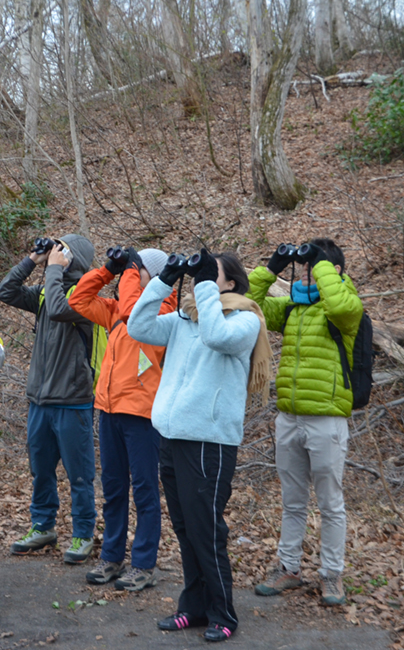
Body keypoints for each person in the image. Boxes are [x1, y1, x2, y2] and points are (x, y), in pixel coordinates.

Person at [129, 248, 271, 644]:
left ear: (229, 282)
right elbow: (138, 326)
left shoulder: (244, 321)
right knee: (185, 528)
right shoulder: (184, 320)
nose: (202, 281)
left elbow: (216, 335)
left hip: (209, 442)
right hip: (172, 438)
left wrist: (205, 285)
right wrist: (164, 279)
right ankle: (192, 607)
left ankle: (223, 613)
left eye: (212, 275)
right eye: (201, 276)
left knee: (207, 531)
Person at [247, 238, 363, 607]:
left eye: (318, 269)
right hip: (289, 416)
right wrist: (272, 268)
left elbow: (342, 305)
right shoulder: (294, 308)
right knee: (292, 500)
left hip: (327, 418)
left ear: (334, 272)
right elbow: (251, 305)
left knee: (330, 502)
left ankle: (331, 574)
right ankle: (288, 568)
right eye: (309, 269)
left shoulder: (344, 309)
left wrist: (323, 263)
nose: (311, 276)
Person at [67, 246, 174, 591]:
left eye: (136, 269)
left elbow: (134, 309)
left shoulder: (164, 311)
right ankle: (112, 557)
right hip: (109, 409)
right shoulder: (116, 311)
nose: (131, 272)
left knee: (144, 490)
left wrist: (131, 270)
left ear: (152, 276)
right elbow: (78, 300)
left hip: (141, 414)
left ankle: (143, 563)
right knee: (113, 488)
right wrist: (109, 269)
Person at [0, 234, 99, 564]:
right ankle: (43, 526)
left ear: (77, 259)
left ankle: (83, 533)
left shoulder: (86, 296)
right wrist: (32, 261)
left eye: (62, 250)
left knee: (79, 474)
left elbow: (58, 309)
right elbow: (5, 292)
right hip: (39, 400)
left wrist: (54, 270)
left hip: (72, 399)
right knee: (41, 471)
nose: (57, 254)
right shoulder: (44, 292)